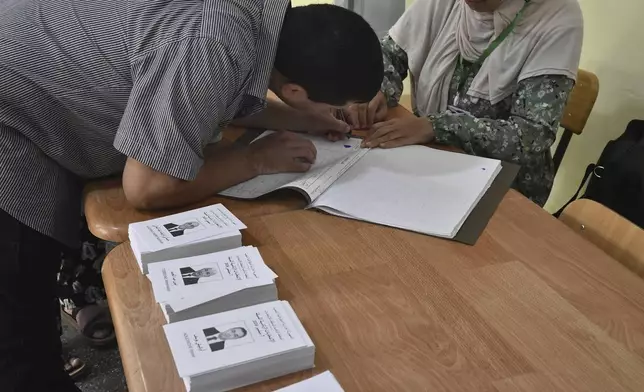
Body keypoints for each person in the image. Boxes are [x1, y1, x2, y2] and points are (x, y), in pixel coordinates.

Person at [0, 1, 383, 391]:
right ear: (294, 90)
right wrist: (255, 160)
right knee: (19, 341)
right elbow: (146, 186)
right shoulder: (211, 40)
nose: (337, 113)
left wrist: (303, 118)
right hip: (12, 116)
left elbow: (213, 89)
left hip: (30, 73)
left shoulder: (252, 20)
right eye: (334, 106)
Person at [346, 0, 583, 206]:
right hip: (430, 157)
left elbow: (530, 136)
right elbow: (389, 55)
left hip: (504, 187)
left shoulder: (557, 17)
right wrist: (375, 89)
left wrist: (437, 127)